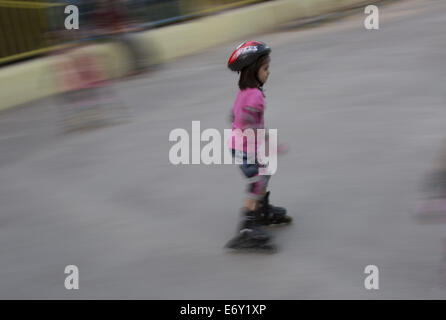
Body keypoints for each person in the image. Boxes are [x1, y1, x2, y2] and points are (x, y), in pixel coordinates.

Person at [225, 41, 292, 251]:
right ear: (254, 70)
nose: (268, 72)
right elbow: (248, 123)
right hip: (246, 149)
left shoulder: (245, 91)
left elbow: (233, 116)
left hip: (243, 146)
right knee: (256, 183)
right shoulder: (254, 96)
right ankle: (248, 228)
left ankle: (262, 212)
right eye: (265, 68)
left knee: (264, 175)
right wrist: (267, 143)